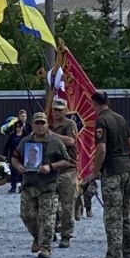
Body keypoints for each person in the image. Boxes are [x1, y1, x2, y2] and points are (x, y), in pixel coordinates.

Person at [85, 90, 130, 258]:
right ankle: (129, 254)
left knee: (112, 215)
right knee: (125, 214)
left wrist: (94, 172)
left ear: (94, 104)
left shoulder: (101, 120)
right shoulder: (120, 119)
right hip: (127, 171)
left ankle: (114, 256)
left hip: (113, 172)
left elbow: (101, 149)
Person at [11, 112, 70, 258]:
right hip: (29, 185)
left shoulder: (55, 142)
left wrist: (50, 167)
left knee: (47, 217)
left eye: (42, 123)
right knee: (27, 215)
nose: (39, 126)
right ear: (32, 124)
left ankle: (46, 247)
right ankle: (37, 236)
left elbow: (66, 161)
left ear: (47, 125)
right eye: (37, 123)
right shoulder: (25, 142)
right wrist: (18, 166)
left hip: (48, 186)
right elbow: (14, 157)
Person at [49, 98, 79, 249]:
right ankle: (50, 230)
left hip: (68, 169)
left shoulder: (70, 124)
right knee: (49, 204)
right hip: (51, 170)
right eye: (55, 109)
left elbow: (70, 141)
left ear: (65, 110)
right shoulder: (47, 124)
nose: (57, 112)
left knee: (67, 205)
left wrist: (51, 135)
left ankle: (66, 235)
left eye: (61, 110)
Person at [3, 121, 26, 193]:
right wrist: (5, 155)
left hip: (23, 156)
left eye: (20, 127)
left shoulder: (26, 135)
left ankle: (22, 186)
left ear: (22, 127)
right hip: (14, 156)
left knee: (23, 172)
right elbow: (7, 146)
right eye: (17, 127)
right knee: (13, 172)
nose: (18, 128)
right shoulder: (12, 136)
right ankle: (13, 187)